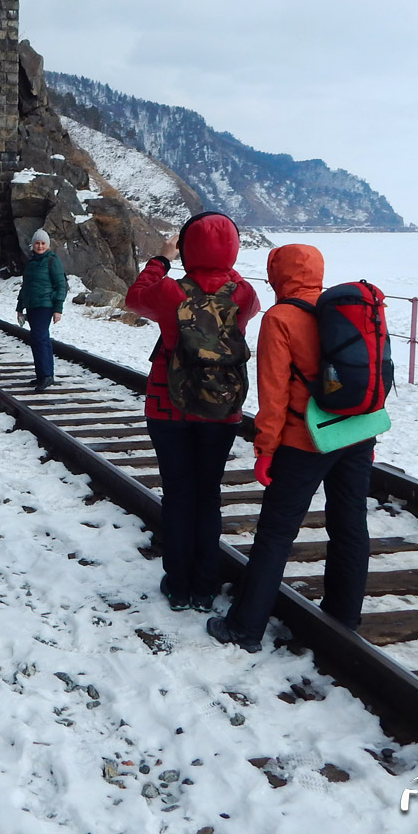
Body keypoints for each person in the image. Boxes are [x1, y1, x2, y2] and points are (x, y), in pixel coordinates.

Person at [207, 243, 375, 652]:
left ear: (279, 274)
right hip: (355, 433)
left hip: (305, 440)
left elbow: (274, 395)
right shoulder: (345, 310)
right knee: (350, 525)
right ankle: (343, 617)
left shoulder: (280, 318)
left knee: (275, 534)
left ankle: (245, 628)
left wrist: (265, 449)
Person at [124, 212, 259, 613]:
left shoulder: (169, 292)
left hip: (168, 405)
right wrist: (219, 265)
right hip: (221, 409)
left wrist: (162, 260)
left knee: (179, 494)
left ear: (186, 247)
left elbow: (134, 297)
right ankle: (205, 586)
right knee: (208, 494)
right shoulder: (245, 293)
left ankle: (178, 585)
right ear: (232, 247)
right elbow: (227, 291)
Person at [16, 228, 66, 393]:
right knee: (40, 339)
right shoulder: (31, 263)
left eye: (43, 243)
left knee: (39, 338)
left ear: (48, 245)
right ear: (33, 245)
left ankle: (45, 376)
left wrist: (57, 309)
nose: (40, 246)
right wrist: (19, 307)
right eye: (37, 243)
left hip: (45, 305)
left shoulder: (52, 261)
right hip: (32, 306)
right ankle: (44, 375)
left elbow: (61, 286)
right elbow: (26, 287)